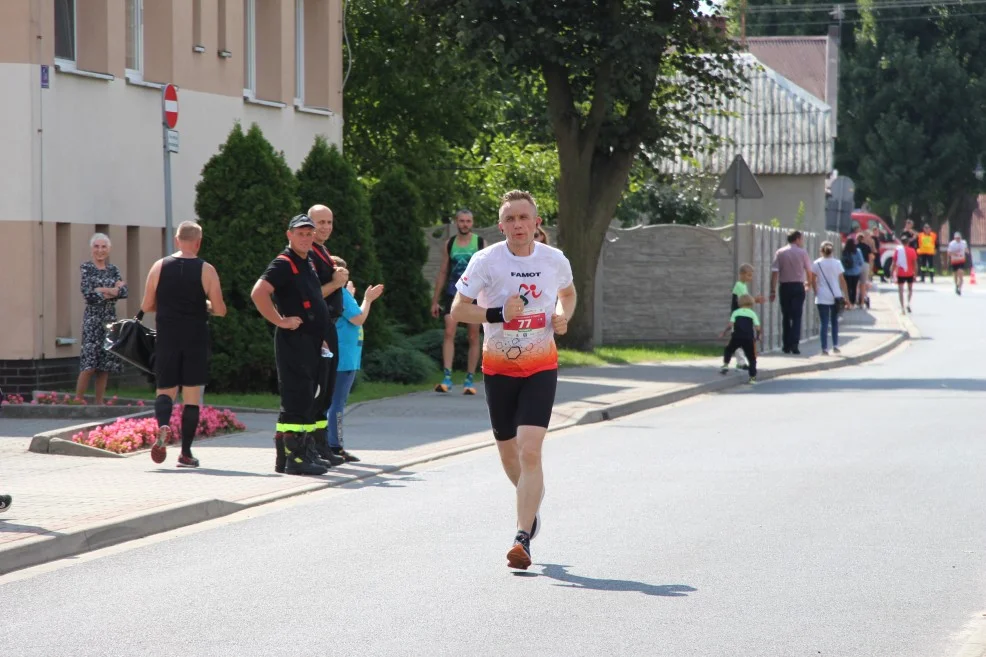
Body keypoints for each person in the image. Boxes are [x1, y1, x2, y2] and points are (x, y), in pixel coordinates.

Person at [451, 190, 576, 571]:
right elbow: (459, 311)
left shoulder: (554, 260)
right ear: (501, 225)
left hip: (541, 366)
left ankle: (522, 537)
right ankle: (531, 503)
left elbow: (568, 294)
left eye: (525, 218)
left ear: (537, 223)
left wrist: (561, 314)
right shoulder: (486, 260)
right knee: (509, 452)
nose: (518, 225)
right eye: (511, 219)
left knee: (531, 449)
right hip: (499, 368)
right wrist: (497, 313)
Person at [251, 214, 336, 476]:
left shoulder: (306, 260)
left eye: (309, 233)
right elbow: (259, 292)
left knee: (305, 396)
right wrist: (279, 320)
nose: (306, 237)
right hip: (294, 341)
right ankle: (295, 459)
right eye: (301, 233)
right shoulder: (283, 263)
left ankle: (296, 454)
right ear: (289, 235)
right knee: (298, 397)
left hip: (310, 341)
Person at [141, 221, 226, 468]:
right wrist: (206, 306)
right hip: (195, 338)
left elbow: (146, 305)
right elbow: (220, 309)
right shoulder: (206, 270)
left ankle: (163, 425)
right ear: (198, 242)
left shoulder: (159, 266)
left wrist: (167, 307)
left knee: (165, 389)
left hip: (167, 335)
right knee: (191, 396)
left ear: (177, 240)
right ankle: (186, 453)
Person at [326, 256, 385, 463]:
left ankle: (327, 443)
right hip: (344, 359)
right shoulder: (340, 294)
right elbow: (359, 318)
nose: (345, 277)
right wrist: (367, 299)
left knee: (332, 402)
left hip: (343, 357)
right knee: (337, 404)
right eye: (343, 274)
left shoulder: (340, 294)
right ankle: (335, 446)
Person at [307, 204, 348, 467]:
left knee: (327, 390)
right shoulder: (307, 254)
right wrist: (335, 283)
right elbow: (308, 296)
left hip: (329, 325)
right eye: (320, 222)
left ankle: (322, 446)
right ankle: (308, 447)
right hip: (314, 329)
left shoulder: (322, 252)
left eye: (329, 222)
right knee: (316, 390)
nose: (325, 227)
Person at [430, 209, 485, 395]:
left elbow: (488, 272)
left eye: (468, 221)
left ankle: (469, 379)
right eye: (461, 221)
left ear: (472, 222)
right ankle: (447, 377)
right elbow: (443, 272)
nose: (465, 224)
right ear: (456, 222)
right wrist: (435, 300)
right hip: (453, 293)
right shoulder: (450, 243)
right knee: (449, 331)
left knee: (473, 336)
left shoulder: (480, 243)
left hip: (475, 295)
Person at [76, 233, 128, 404]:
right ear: (92, 249)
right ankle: (78, 400)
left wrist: (102, 289)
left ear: (109, 249)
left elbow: (124, 292)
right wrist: (112, 290)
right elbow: (88, 294)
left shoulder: (113, 270)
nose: (100, 250)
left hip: (109, 319)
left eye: (103, 246)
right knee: (89, 363)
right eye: (97, 246)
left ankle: (99, 403)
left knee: (104, 364)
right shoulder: (86, 268)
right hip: (92, 319)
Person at [769, 230, 813, 355]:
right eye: (801, 239)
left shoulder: (780, 252)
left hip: (784, 287)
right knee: (797, 316)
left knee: (786, 316)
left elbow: (775, 272)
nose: (802, 241)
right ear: (797, 239)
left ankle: (786, 345)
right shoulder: (802, 253)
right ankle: (795, 344)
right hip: (798, 286)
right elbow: (809, 270)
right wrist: (809, 283)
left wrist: (772, 290)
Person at [812, 241, 850, 355]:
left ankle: (824, 348)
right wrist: (846, 296)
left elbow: (812, 280)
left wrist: (816, 291)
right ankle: (835, 345)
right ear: (832, 251)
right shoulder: (837, 263)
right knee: (834, 321)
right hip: (836, 295)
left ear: (821, 250)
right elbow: (842, 280)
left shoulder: (817, 263)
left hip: (822, 295)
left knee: (824, 322)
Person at [729, 264, 764, 370]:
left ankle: (742, 361)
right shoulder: (739, 285)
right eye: (749, 275)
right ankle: (741, 362)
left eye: (751, 275)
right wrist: (756, 300)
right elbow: (744, 301)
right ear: (742, 274)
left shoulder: (743, 286)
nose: (750, 278)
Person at [719, 294, 760, 383]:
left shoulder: (736, 312)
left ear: (740, 302)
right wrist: (758, 336)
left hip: (736, 336)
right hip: (748, 338)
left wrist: (724, 332)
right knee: (752, 358)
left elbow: (730, 325)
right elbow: (757, 327)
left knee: (729, 349)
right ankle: (752, 378)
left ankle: (726, 365)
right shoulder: (752, 313)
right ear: (751, 303)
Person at [892, 238, 919, 313]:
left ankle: (902, 307)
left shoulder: (898, 251)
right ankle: (908, 303)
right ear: (908, 243)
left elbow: (894, 263)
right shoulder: (912, 251)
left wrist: (891, 273)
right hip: (910, 273)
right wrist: (915, 275)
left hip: (900, 273)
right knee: (910, 289)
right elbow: (915, 264)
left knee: (900, 290)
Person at [840, 239, 864, 308]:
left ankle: (847, 302)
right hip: (856, 273)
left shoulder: (844, 251)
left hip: (846, 272)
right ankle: (852, 303)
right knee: (854, 288)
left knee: (847, 287)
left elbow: (842, 261)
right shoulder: (857, 251)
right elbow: (861, 262)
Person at [947, 231, 970, 295]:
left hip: (961, 261)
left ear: (961, 238)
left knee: (961, 275)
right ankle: (956, 286)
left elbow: (966, 249)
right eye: (956, 238)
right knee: (955, 275)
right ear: (954, 238)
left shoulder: (964, 243)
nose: (958, 239)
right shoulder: (952, 244)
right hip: (954, 261)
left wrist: (968, 252)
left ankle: (959, 289)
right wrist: (954, 254)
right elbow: (949, 253)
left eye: (959, 238)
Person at [855, 232, 874, 309]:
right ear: (863, 239)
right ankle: (862, 303)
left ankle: (855, 300)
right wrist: (869, 267)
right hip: (865, 265)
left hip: (856, 266)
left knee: (856, 284)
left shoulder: (855, 246)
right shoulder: (867, 247)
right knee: (863, 284)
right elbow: (870, 257)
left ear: (856, 239)